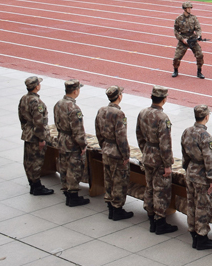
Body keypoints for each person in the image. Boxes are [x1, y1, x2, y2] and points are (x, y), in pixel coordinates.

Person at [136, 85, 178, 235]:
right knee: (161, 190)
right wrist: (167, 164)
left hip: (148, 154)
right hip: (159, 158)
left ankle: (151, 217)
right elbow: (165, 143)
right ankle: (160, 222)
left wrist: (145, 150)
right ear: (164, 99)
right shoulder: (162, 118)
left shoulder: (143, 113)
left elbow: (139, 135)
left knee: (149, 187)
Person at [181, 105, 212, 250]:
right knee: (203, 207)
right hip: (202, 176)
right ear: (206, 117)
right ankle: (202, 237)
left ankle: (194, 235)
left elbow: (184, 154)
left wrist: (187, 168)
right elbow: (210, 158)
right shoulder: (205, 136)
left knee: (191, 205)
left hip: (191, 172)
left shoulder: (187, 131)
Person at [95, 85, 134, 221]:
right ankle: (117, 209)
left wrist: (103, 145)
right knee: (119, 181)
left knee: (108, 179)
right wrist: (125, 155)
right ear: (119, 97)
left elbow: (98, 131)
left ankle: (110, 207)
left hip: (106, 149)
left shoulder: (101, 111)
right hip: (116, 152)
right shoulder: (119, 114)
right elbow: (121, 137)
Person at [54, 79, 90, 207]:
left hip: (62, 139)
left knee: (63, 167)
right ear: (75, 91)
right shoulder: (74, 109)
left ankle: (67, 192)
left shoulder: (58, 104)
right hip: (72, 143)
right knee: (74, 169)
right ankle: (73, 195)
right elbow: (78, 130)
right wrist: (83, 145)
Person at [19, 76, 54, 196]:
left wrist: (25, 129)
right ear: (36, 87)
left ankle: (33, 184)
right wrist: (41, 139)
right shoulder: (37, 102)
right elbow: (39, 122)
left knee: (28, 160)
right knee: (36, 161)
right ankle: (36, 186)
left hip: (28, 133)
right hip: (35, 136)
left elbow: (21, 116)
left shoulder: (24, 98)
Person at [172, 1, 204, 79]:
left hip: (192, 39)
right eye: (188, 8)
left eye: (190, 8)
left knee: (200, 55)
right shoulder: (179, 19)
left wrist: (199, 35)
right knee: (176, 58)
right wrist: (182, 39)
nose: (189, 9)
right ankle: (175, 70)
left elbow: (198, 28)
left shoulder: (194, 18)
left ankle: (199, 72)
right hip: (183, 40)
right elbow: (176, 31)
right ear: (184, 9)